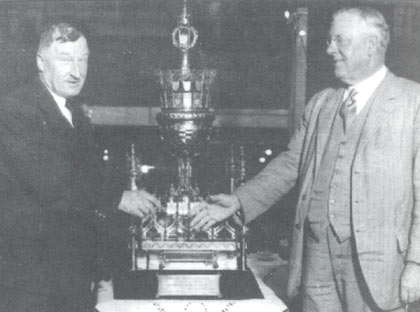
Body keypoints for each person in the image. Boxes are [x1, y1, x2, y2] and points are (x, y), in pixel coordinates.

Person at [191, 6, 420, 312]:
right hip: (315, 260)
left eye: (340, 41)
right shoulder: (320, 104)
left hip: (379, 268)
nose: (330, 49)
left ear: (372, 45)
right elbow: (289, 164)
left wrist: (416, 263)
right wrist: (239, 201)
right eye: (329, 40)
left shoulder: (412, 102)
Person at [0, 23, 160, 312]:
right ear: (40, 61)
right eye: (64, 59)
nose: (76, 71)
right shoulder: (15, 109)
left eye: (82, 59)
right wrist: (119, 198)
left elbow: (91, 178)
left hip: (70, 276)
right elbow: (52, 184)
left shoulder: (74, 111)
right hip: (31, 284)